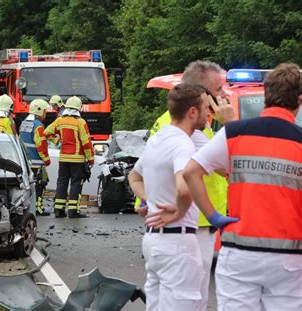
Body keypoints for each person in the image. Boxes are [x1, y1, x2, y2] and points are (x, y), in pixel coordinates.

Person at [183, 63, 302, 311]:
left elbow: (191, 172)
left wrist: (214, 217)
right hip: (289, 257)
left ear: (267, 95)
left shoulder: (234, 132)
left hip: (240, 253)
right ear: (299, 100)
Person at [139, 60, 236, 310]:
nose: (224, 93)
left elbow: (141, 172)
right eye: (218, 88)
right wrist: (231, 126)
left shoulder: (168, 124)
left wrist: (148, 200)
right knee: (191, 301)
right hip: (193, 225)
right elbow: (231, 165)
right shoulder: (192, 134)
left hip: (167, 230)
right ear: (201, 94)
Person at [129, 83, 213, 310]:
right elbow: (184, 187)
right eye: (206, 107)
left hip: (153, 242)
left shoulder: (159, 138)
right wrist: (179, 211)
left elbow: (134, 177)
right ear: (192, 112)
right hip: (178, 242)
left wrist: (151, 200)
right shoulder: (182, 144)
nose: (209, 113)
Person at [45, 96, 94, 218]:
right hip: (77, 159)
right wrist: (90, 158)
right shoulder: (80, 122)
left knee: (62, 182)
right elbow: (86, 142)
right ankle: (73, 211)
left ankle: (58, 210)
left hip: (63, 158)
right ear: (79, 108)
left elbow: (46, 132)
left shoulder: (60, 120)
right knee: (76, 183)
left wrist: (56, 139)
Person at [19, 99, 52, 216]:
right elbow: (41, 144)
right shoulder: (38, 126)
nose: (45, 114)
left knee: (28, 188)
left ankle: (28, 208)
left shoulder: (24, 123)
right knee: (39, 187)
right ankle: (38, 209)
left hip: (26, 163)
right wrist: (47, 159)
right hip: (37, 163)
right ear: (39, 111)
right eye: (44, 111)